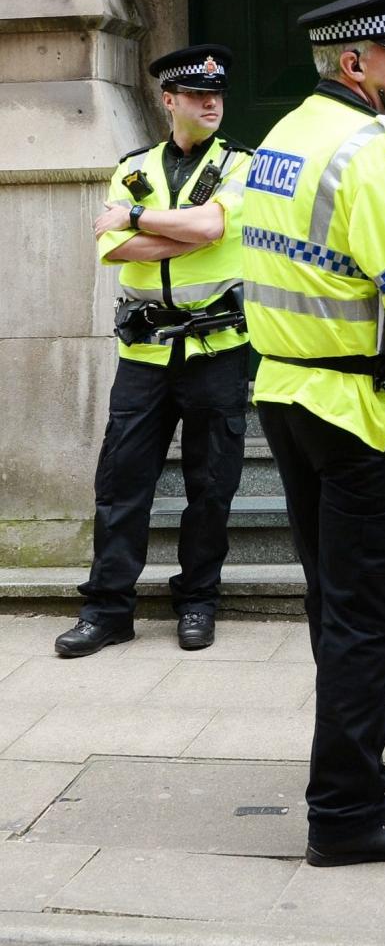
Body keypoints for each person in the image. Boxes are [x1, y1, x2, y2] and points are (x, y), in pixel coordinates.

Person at [241, 0, 385, 868]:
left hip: (288, 395)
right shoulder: (373, 155)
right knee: (366, 613)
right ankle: (344, 808)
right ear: (354, 65)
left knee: (332, 594)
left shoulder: (281, 140)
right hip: (367, 414)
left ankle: (361, 726)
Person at [55, 45, 251, 658]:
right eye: (196, 95)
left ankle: (198, 601)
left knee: (211, 484)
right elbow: (112, 250)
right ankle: (109, 608)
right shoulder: (133, 165)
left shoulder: (244, 164)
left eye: (216, 94)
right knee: (120, 483)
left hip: (217, 349)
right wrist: (179, 230)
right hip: (142, 353)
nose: (210, 102)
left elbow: (214, 229)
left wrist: (141, 219)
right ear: (169, 101)